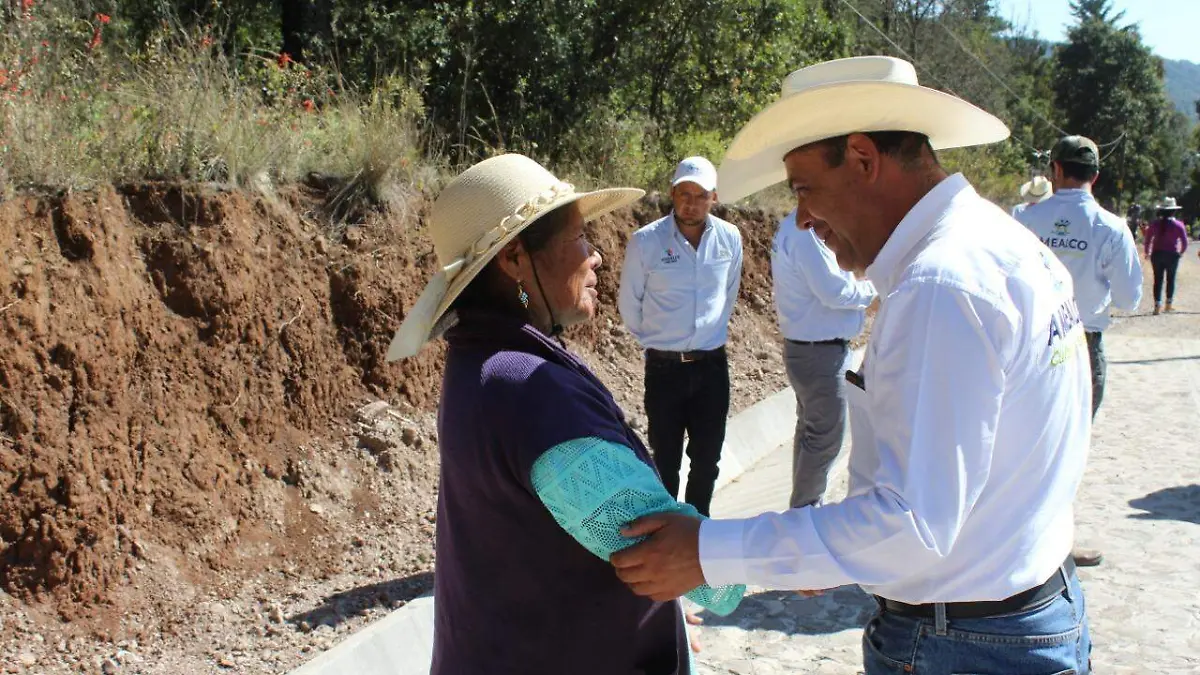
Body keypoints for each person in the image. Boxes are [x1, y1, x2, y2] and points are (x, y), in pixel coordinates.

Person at [610, 56, 1094, 675]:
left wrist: (708, 551)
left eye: (805, 189)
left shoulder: (940, 287)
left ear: (864, 159)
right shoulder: (997, 244)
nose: (805, 219)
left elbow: (909, 528)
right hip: (1024, 609)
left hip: (964, 642)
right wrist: (831, 551)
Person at [385, 154, 741, 675]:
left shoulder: (485, 362)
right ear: (513, 259)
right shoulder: (529, 390)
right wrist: (765, 562)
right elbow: (660, 546)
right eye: (578, 238)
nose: (595, 257)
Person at [1016, 135, 1141, 561]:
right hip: (1083, 341)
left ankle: (1019, 536)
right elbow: (1128, 298)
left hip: (1031, 340)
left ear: (1054, 170)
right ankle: (1054, 544)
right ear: (1096, 176)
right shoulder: (1111, 227)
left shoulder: (1025, 219)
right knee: (1070, 443)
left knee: (1024, 437)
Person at [618, 156, 744, 517]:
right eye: (683, 193)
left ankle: (697, 536)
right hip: (665, 370)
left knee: (707, 461)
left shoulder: (729, 238)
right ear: (672, 194)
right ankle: (663, 534)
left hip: (711, 368)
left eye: (700, 195)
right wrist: (662, 342)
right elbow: (630, 304)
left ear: (714, 197)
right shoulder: (646, 242)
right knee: (666, 462)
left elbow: (728, 293)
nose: (691, 202)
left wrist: (705, 335)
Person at [772, 209, 875, 508]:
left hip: (811, 350)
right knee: (825, 438)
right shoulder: (806, 234)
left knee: (811, 433)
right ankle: (805, 514)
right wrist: (874, 290)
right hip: (820, 353)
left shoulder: (793, 228)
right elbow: (833, 290)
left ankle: (802, 512)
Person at [1144, 197, 1189, 314]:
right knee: (1171, 279)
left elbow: (1148, 239)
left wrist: (1147, 252)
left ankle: (1157, 305)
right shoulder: (1179, 225)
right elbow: (1185, 242)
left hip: (1157, 254)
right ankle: (1168, 304)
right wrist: (1181, 253)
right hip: (1172, 255)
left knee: (1157, 280)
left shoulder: (1155, 224)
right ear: (1174, 211)